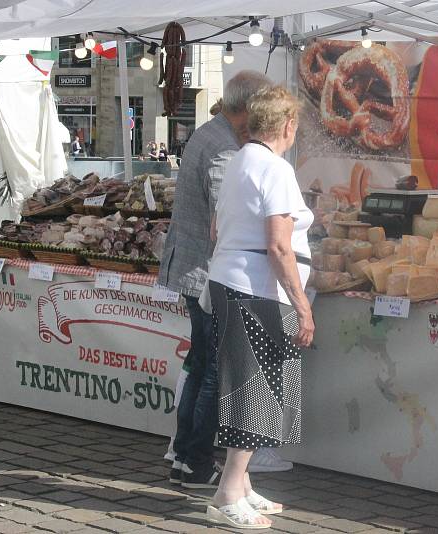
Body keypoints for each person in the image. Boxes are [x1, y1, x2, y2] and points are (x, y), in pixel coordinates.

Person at [205, 85, 314, 529]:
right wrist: (303, 307)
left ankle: (242, 484)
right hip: (258, 290)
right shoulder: (275, 168)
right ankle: (228, 492)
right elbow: (279, 246)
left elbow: (216, 229)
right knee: (256, 394)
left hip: (234, 281)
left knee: (251, 390)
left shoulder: (238, 162)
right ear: (287, 125)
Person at [158, 70, 273, 490]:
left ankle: (185, 457)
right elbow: (224, 220)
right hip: (207, 272)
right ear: (248, 107)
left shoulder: (211, 133)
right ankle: (197, 460)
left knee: (202, 362)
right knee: (212, 372)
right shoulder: (224, 146)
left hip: (195, 269)